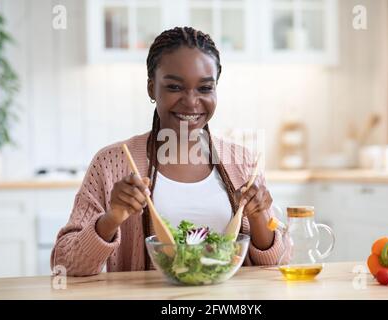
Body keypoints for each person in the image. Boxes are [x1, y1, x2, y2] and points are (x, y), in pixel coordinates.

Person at [51, 27, 288, 276]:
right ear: (152, 88)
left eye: (205, 88)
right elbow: (64, 266)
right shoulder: (112, 163)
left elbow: (276, 267)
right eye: (175, 87)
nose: (191, 101)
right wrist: (111, 219)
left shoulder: (243, 163)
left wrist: (260, 218)